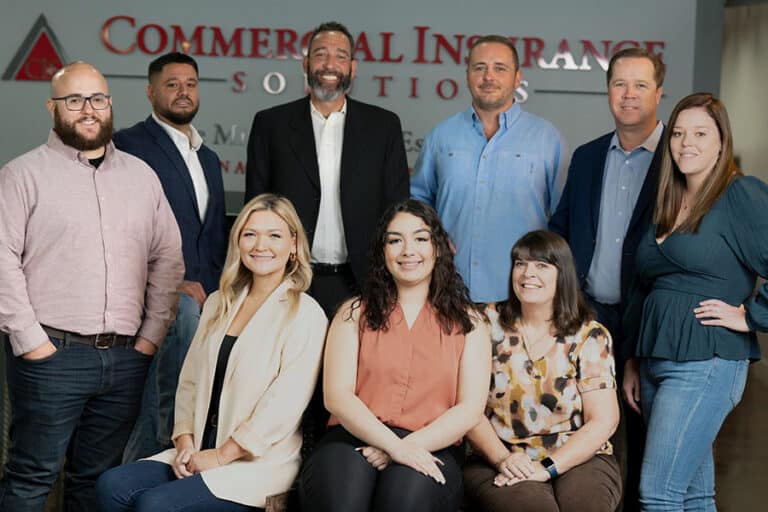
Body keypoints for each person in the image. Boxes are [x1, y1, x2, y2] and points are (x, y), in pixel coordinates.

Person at [0, 62, 184, 511]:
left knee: (94, 481)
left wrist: (149, 338)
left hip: (124, 360)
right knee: (31, 477)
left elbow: (168, 259)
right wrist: (31, 342)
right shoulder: (22, 175)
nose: (88, 109)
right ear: (53, 107)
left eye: (97, 99)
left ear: (110, 105)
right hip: (51, 355)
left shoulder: (141, 177)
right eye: (75, 100)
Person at [96, 194, 328, 511]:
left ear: (293, 245)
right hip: (200, 449)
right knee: (112, 486)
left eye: (274, 235)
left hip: (255, 465)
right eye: (250, 234)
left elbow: (282, 408)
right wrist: (185, 444)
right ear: (238, 243)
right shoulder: (220, 302)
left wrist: (220, 456)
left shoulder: (305, 314)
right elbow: (189, 381)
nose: (261, 245)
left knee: (155, 506)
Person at [622, 92, 768, 511]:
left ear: (722, 142)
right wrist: (633, 358)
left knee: (658, 494)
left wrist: (751, 317)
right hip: (655, 360)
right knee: (692, 495)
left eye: (701, 133)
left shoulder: (740, 195)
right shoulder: (667, 200)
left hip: (706, 361)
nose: (687, 142)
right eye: (679, 133)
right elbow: (642, 284)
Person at [299, 199, 491, 512]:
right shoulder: (353, 313)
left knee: (403, 501)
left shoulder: (471, 324)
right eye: (395, 240)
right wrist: (391, 445)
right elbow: (337, 396)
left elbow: (469, 409)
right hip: (352, 437)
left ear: (438, 248)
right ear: (382, 251)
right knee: (342, 501)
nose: (407, 250)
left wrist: (404, 448)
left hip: (432, 444)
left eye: (420, 238)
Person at [548, 47, 665, 511]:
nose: (629, 94)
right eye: (619, 84)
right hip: (588, 316)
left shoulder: (677, 161)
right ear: (608, 92)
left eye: (640, 85)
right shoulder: (588, 156)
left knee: (645, 433)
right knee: (588, 429)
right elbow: (560, 227)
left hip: (649, 318)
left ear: (659, 92)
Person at [245, 20, 409, 318]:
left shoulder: (383, 127)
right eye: (320, 55)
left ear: (353, 67)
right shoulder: (271, 125)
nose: (330, 64)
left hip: (362, 283)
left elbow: (397, 210)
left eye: (340, 56)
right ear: (306, 64)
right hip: (287, 281)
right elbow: (255, 209)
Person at [114, 52, 228, 461]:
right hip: (158, 300)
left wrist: (218, 295)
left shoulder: (209, 159)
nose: (183, 92)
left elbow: (212, 240)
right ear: (151, 91)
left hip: (205, 302)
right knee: (160, 409)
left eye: (191, 84)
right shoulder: (129, 145)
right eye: (173, 84)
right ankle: (158, 462)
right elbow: (117, 225)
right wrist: (169, 282)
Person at [464, 230, 621, 512]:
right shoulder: (484, 324)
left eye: (541, 265)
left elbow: (603, 420)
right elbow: (467, 408)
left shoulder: (590, 335)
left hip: (580, 457)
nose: (527, 273)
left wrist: (547, 468)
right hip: (499, 456)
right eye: (520, 263)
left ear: (563, 274)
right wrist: (504, 460)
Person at [411, 35, 568, 304]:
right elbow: (418, 204)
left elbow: (564, 218)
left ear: (517, 78)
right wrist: (432, 236)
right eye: (479, 67)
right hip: (448, 292)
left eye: (500, 68)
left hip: (522, 297)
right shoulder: (441, 136)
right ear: (467, 75)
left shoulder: (548, 139)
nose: (488, 76)